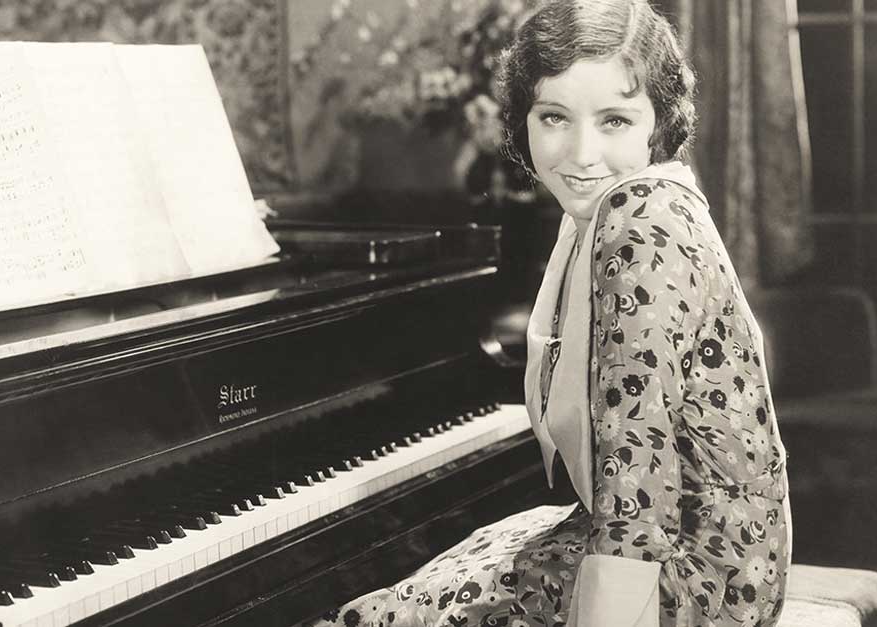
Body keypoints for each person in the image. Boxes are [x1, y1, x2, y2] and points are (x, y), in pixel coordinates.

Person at [304, 1, 791, 625]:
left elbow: (636, 469)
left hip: (700, 576)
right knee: (431, 579)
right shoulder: (635, 202)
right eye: (554, 117)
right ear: (523, 120)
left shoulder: (640, 230)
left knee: (360, 618)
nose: (582, 154)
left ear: (660, 122)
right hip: (731, 550)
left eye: (614, 120)